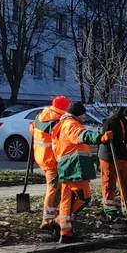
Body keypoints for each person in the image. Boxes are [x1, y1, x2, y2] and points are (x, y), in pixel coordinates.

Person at [51, 102, 110, 243]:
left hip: (66, 168)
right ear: (79, 114)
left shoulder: (62, 125)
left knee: (66, 199)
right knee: (84, 197)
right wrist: (100, 137)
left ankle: (65, 232)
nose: (84, 117)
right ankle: (60, 222)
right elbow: (82, 136)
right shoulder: (71, 124)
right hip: (74, 169)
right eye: (84, 114)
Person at [31, 96, 69, 239]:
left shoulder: (40, 117)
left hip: (42, 157)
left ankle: (52, 217)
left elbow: (31, 130)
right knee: (53, 189)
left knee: (54, 189)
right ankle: (47, 221)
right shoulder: (57, 122)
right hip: (52, 161)